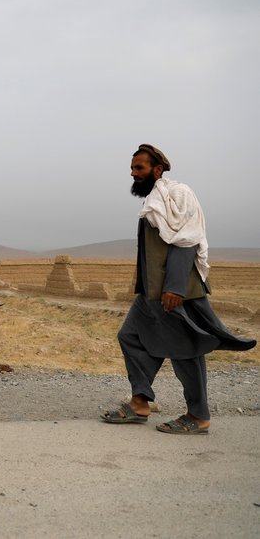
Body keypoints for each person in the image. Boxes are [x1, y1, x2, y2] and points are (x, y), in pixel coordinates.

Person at [101, 143, 255, 434]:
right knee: (131, 336)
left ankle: (198, 416)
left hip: (173, 292)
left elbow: (187, 239)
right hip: (150, 294)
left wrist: (174, 287)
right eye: (132, 168)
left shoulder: (178, 194)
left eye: (139, 168)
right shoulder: (154, 200)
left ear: (157, 169)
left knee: (185, 350)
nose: (133, 174)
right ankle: (139, 402)